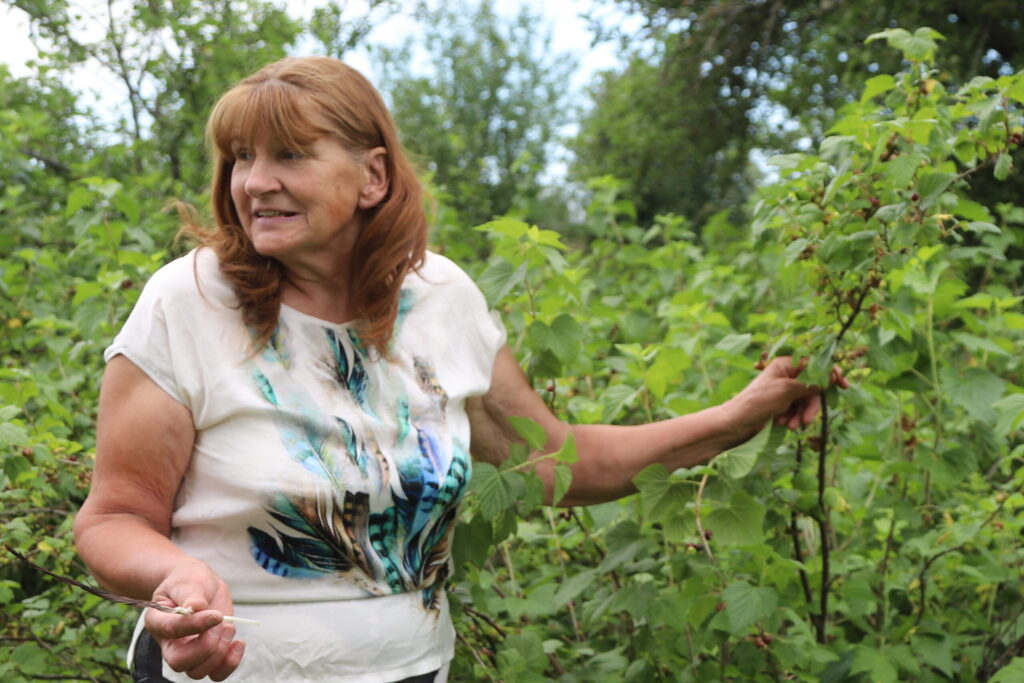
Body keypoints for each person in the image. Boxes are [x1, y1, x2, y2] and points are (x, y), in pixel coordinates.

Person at [73, 56, 845, 683]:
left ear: (372, 177)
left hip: (413, 670)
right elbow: (113, 520)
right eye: (241, 157)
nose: (253, 181)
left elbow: (554, 462)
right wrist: (176, 582)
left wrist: (737, 416)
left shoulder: (442, 298)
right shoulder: (190, 300)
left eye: (290, 155)